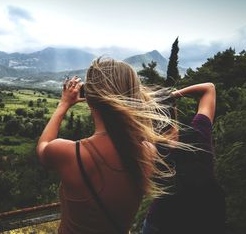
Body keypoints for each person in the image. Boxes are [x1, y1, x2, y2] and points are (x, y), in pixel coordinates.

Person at [36, 58, 186, 234]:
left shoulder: (72, 153)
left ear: (89, 98)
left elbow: (43, 147)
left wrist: (64, 104)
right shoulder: (147, 151)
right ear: (134, 97)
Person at [142, 83, 226, 234]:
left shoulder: (148, 151)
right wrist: (172, 96)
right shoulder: (199, 133)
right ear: (174, 112)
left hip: (162, 223)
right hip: (206, 219)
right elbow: (209, 88)